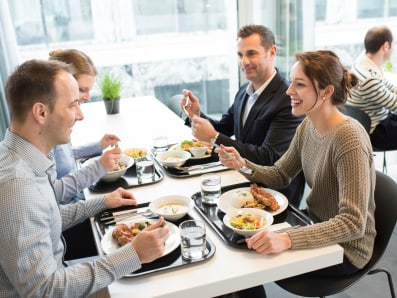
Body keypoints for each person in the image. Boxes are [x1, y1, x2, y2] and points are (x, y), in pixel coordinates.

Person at [0, 59, 170, 297]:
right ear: (41, 112)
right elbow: (45, 291)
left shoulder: (23, 159)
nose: (80, 115)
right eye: (73, 105)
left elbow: (49, 216)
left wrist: (102, 202)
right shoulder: (17, 188)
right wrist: (133, 255)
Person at [217, 50, 376, 297]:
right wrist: (242, 165)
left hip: (346, 248)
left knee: (244, 266)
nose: (289, 91)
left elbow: (352, 224)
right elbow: (281, 173)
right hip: (313, 224)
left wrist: (287, 239)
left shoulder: (349, 140)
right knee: (239, 247)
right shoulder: (308, 125)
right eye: (291, 82)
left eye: (299, 84)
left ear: (326, 92)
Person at [180, 24, 305, 207]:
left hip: (273, 196)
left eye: (251, 53)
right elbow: (224, 128)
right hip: (241, 180)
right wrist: (196, 115)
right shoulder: (244, 91)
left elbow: (269, 158)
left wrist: (213, 138)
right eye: (240, 55)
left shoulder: (288, 98)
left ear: (272, 52)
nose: (244, 61)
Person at [48, 49, 120, 199]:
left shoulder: (59, 127)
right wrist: (99, 167)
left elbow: (64, 156)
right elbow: (53, 194)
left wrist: (99, 145)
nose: (87, 97)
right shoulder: (51, 127)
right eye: (82, 90)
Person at [348, 25, 397, 149]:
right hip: (376, 130)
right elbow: (394, 104)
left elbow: (388, 87)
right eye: (393, 44)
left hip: (376, 118)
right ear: (386, 46)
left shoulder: (363, 61)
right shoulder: (368, 78)